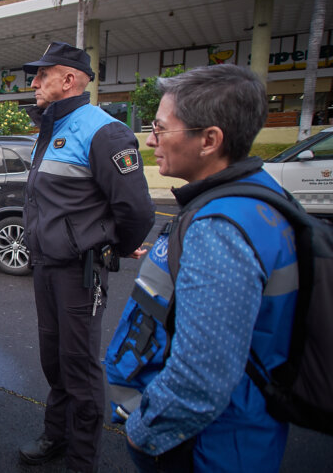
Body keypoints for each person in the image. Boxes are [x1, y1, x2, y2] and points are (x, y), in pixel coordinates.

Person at [106, 64, 298, 472]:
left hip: (203, 446)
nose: (151, 140)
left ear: (210, 140)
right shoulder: (262, 194)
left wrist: (142, 435)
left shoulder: (219, 229)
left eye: (159, 129)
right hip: (239, 432)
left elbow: (200, 380)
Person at [19, 42, 155, 471]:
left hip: (79, 272)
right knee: (54, 360)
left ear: (69, 80)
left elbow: (136, 211)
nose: (34, 82)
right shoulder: (51, 126)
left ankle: (81, 459)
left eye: (42, 75)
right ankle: (56, 436)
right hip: (45, 266)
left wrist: (108, 247)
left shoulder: (104, 131)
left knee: (78, 368)